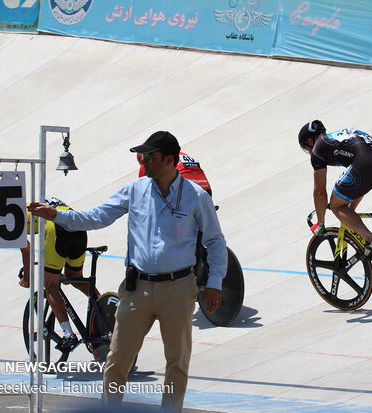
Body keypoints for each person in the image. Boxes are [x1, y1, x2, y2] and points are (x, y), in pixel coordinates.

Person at [27, 131, 227, 412]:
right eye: (142, 156)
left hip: (179, 288)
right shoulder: (135, 189)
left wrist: (215, 282)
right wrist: (57, 215)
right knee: (118, 359)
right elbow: (97, 217)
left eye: (150, 156)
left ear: (169, 160)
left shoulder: (195, 197)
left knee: (177, 363)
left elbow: (215, 241)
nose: (143, 161)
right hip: (138, 289)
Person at [298, 120, 372, 259]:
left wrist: (320, 222)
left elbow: (319, 191)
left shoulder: (319, 147)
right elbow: (358, 185)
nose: (309, 152)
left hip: (365, 162)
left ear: (309, 140)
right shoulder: (338, 139)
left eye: (306, 148)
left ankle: (370, 239)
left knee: (336, 205)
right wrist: (349, 210)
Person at [19, 197, 91, 353]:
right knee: (75, 278)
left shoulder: (8, 221)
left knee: (50, 284)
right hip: (76, 224)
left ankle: (68, 334)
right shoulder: (31, 200)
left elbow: (27, 250)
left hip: (55, 229)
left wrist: (26, 278)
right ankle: (104, 309)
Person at [138, 151, 213, 197]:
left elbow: (145, 189)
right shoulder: (180, 154)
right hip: (206, 189)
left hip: (186, 191)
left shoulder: (147, 163)